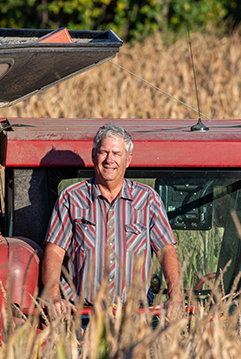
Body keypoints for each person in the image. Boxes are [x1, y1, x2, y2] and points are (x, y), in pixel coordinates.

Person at [42, 123, 180, 316]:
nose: (109, 160)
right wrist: (53, 296)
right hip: (82, 316)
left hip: (136, 316)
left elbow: (166, 250)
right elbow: (55, 251)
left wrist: (176, 296)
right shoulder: (71, 198)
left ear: (128, 159)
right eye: (104, 152)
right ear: (93, 155)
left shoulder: (148, 200)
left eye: (117, 153)